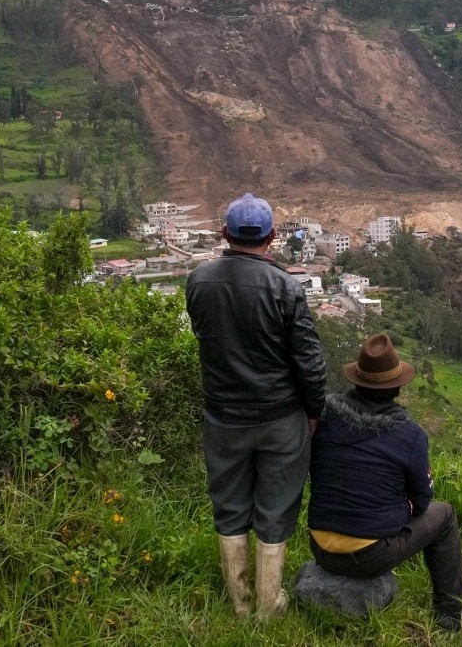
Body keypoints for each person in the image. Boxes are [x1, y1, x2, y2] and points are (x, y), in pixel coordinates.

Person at [185, 193, 327, 618]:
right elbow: (309, 360)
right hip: (281, 417)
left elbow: (204, 336)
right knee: (277, 505)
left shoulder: (199, 280)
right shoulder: (285, 286)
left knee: (228, 505)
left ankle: (240, 604)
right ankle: (269, 605)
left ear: (225, 234)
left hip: (223, 417)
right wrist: (314, 410)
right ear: (272, 237)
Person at [307, 333, 462, 631]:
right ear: (397, 387)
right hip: (368, 557)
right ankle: (450, 615)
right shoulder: (409, 435)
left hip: (319, 547)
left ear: (356, 380)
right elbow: (421, 500)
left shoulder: (325, 417)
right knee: (443, 515)